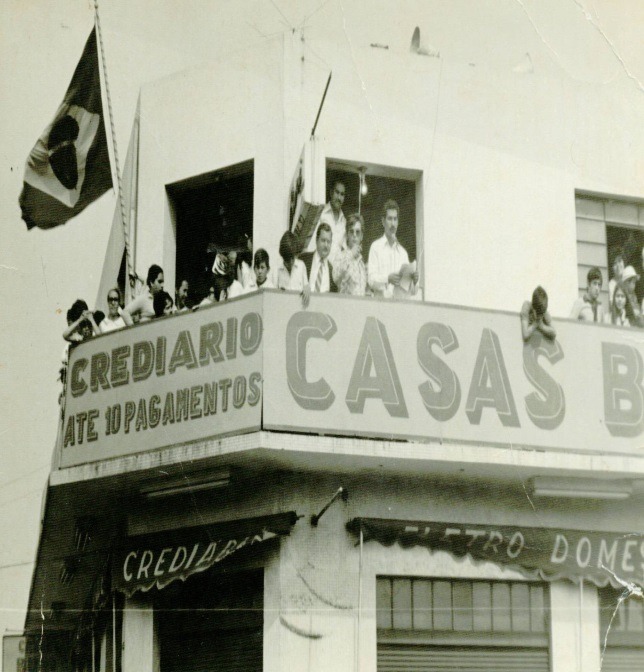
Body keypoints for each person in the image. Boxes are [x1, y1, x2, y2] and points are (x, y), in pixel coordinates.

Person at [368, 199, 419, 299]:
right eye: (390, 219)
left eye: (395, 219)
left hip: (399, 309)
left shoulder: (403, 253)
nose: (393, 224)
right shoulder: (375, 247)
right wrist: (387, 279)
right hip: (381, 307)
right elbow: (370, 280)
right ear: (383, 221)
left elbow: (412, 291)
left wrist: (414, 281)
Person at [305, 180, 346, 262]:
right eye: (337, 192)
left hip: (335, 270)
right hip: (320, 266)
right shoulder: (321, 213)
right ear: (331, 193)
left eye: (342, 194)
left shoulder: (344, 221)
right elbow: (311, 243)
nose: (339, 198)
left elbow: (343, 249)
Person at [333, 213, 368, 296]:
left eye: (358, 232)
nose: (354, 235)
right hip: (345, 306)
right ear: (347, 235)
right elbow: (336, 277)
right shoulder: (340, 255)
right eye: (351, 231)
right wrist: (351, 254)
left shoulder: (362, 264)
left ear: (362, 236)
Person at [300, 223, 338, 294]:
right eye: (323, 240)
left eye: (328, 242)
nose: (326, 245)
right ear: (316, 240)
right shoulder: (303, 260)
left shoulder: (332, 271)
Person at [276, 231, 310, 307]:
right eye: (287, 260)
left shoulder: (301, 266)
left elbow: (306, 287)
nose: (291, 263)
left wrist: (307, 288)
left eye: (292, 258)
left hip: (298, 311)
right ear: (282, 256)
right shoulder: (277, 270)